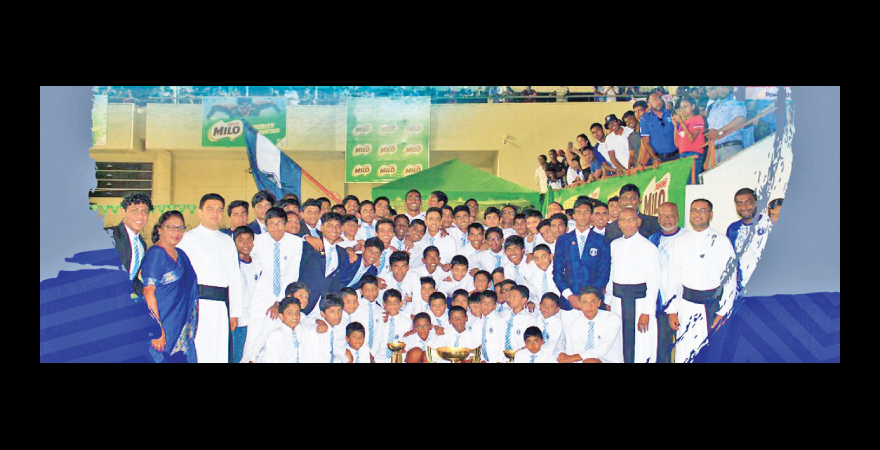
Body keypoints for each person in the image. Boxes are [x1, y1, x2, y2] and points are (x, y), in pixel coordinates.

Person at [666, 199, 737, 363]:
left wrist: (723, 312)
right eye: (694, 210)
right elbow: (673, 277)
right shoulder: (680, 241)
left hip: (712, 307)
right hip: (686, 306)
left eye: (702, 210)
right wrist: (671, 310)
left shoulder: (721, 241)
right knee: (685, 352)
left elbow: (730, 280)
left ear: (711, 215)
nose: (697, 214)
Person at [175, 194, 242, 363]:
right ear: (199, 212)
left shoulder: (228, 241)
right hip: (195, 305)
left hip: (220, 307)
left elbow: (234, 278)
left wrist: (234, 313)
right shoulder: (186, 239)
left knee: (219, 351)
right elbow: (178, 276)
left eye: (219, 210)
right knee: (199, 350)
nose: (215, 213)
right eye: (210, 209)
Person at [239, 207, 303, 363]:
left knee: (276, 342)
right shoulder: (257, 241)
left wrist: (279, 302)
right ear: (266, 225)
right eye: (272, 224)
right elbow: (249, 265)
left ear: (286, 224)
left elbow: (292, 275)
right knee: (253, 341)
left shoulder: (295, 242)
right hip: (260, 297)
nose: (276, 228)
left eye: (280, 223)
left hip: (282, 298)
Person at [141, 210, 199, 363]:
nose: (176, 232)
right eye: (171, 227)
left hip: (181, 331)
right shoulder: (156, 253)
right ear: (160, 229)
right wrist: (156, 329)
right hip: (163, 328)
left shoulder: (181, 254)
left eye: (180, 228)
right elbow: (148, 292)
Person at [605, 209, 660, 363]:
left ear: (639, 222)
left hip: (639, 303)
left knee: (640, 345)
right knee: (619, 342)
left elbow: (653, 281)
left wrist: (647, 311)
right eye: (623, 220)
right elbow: (612, 274)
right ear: (619, 223)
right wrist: (608, 299)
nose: (627, 224)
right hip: (617, 301)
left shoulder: (648, 247)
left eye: (631, 219)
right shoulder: (615, 245)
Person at [552, 197, 611, 311]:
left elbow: (604, 273)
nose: (582, 216)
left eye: (586, 212)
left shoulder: (602, 241)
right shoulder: (563, 240)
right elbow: (557, 272)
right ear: (574, 216)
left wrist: (588, 298)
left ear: (592, 216)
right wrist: (570, 296)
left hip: (593, 302)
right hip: (569, 302)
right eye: (579, 212)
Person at [647, 202, 688, 363]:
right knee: (661, 348)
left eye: (670, 215)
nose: (666, 219)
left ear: (677, 217)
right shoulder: (652, 240)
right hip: (660, 304)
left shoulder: (687, 238)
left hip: (685, 302)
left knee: (686, 347)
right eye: (662, 216)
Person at [299, 212, 352, 319]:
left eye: (337, 226)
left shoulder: (342, 253)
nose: (334, 230)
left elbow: (335, 282)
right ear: (322, 227)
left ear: (341, 229)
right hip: (303, 302)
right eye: (330, 226)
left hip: (323, 307)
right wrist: (305, 237)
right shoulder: (310, 246)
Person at [557, 286, 623, 363]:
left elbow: (602, 349)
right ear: (579, 304)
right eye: (585, 302)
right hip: (586, 361)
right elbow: (580, 355)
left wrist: (572, 357)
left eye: (593, 302)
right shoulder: (574, 325)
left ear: (599, 303)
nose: (589, 306)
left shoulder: (612, 319)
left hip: (609, 360)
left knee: (590, 361)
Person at [106, 192, 153, 299]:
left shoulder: (142, 244)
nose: (140, 216)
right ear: (123, 212)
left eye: (145, 212)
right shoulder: (110, 236)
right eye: (134, 211)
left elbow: (133, 277)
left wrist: (147, 293)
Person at [726, 188, 773, 293]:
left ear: (756, 203)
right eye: (739, 204)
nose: (744, 207)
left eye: (748, 203)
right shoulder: (733, 229)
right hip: (745, 290)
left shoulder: (769, 222)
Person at [231, 226, 259, 364]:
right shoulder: (232, 265)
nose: (246, 244)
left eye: (249, 240)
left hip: (254, 319)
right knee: (236, 356)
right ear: (234, 242)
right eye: (241, 241)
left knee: (250, 356)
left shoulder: (257, 265)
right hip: (238, 320)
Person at [705, 86, 748, 166]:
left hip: (730, 147)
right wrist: (707, 158)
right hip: (714, 151)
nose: (722, 89)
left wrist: (719, 132)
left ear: (731, 88)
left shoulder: (736, 102)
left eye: (726, 87)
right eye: (720, 87)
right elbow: (711, 134)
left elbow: (740, 119)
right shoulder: (713, 108)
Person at [300, 295, 348, 363]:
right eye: (332, 312)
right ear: (322, 314)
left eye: (339, 310)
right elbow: (309, 358)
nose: (337, 315)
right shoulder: (317, 331)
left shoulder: (336, 328)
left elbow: (337, 350)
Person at [261, 297, 309, 363]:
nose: (295, 316)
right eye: (290, 313)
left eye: (297, 313)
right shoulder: (277, 335)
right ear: (281, 316)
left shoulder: (299, 331)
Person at [671, 96, 707, 184]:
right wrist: (675, 126)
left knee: (692, 182)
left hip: (694, 154)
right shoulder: (683, 124)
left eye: (685, 107)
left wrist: (681, 122)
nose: (683, 110)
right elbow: (677, 144)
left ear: (693, 106)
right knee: (685, 183)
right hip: (683, 155)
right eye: (681, 108)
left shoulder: (697, 118)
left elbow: (692, 138)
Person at [372, 289, 414, 363]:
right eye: (389, 303)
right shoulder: (380, 319)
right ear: (384, 305)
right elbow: (377, 339)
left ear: (401, 303)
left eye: (396, 302)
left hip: (399, 357)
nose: (393, 306)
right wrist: (372, 354)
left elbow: (408, 340)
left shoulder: (407, 322)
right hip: (380, 356)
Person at [640, 93, 677, 164]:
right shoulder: (645, 119)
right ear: (649, 104)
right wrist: (655, 158)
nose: (658, 102)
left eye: (659, 99)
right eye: (654, 100)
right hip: (659, 158)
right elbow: (646, 142)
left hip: (676, 155)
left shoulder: (671, 114)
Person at [499, 285, 537, 355]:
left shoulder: (530, 320)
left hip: (520, 355)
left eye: (514, 297)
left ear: (524, 300)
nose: (510, 299)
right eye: (510, 297)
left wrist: (518, 353)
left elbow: (531, 341)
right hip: (501, 354)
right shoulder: (503, 314)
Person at [348, 275, 383, 352]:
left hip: (372, 351)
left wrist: (372, 352)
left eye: (374, 289)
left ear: (378, 289)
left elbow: (378, 335)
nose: (371, 293)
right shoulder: (355, 306)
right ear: (361, 291)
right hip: (354, 349)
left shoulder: (380, 311)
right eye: (367, 290)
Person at [474, 291, 507, 363]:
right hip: (483, 360)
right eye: (483, 302)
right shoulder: (477, 323)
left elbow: (503, 343)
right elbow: (477, 343)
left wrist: (499, 360)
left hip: (498, 359)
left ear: (495, 306)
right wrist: (482, 359)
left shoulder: (500, 321)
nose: (486, 305)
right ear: (479, 304)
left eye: (490, 303)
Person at [534, 292, 565, 357]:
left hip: (554, 355)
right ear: (540, 306)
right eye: (544, 305)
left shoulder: (557, 324)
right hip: (536, 351)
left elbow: (552, 346)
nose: (546, 309)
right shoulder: (537, 320)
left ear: (557, 309)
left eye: (551, 306)